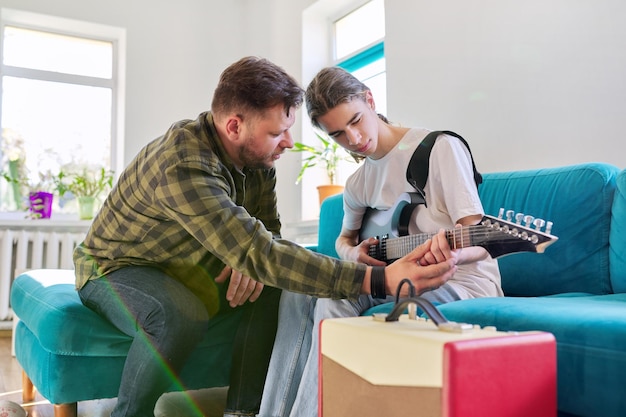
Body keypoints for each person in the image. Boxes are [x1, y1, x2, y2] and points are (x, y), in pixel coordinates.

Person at [73, 57, 458, 417]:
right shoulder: (183, 163)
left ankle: (243, 411)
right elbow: (258, 249)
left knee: (276, 285)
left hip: (185, 267)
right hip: (117, 268)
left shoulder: (257, 160)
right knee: (179, 316)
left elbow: (268, 233)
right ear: (235, 126)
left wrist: (249, 263)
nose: (288, 143)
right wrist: (378, 279)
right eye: (278, 132)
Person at [258, 66, 504, 417]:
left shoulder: (437, 148)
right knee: (296, 292)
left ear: (370, 100)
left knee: (335, 297)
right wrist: (353, 252)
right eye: (339, 134)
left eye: (357, 120)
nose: (354, 140)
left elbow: (481, 238)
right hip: (397, 280)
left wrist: (450, 251)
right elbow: (344, 240)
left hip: (460, 281)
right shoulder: (358, 183)